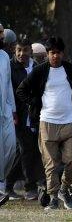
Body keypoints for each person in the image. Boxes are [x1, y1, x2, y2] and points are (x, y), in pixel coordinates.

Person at [16, 36, 72, 210]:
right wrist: (35, 102)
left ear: (63, 53)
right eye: (52, 53)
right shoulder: (39, 71)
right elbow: (21, 90)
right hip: (47, 122)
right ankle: (53, 197)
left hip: (69, 122)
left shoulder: (71, 69)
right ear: (47, 54)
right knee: (51, 164)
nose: (55, 56)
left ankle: (64, 190)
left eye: (58, 53)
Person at [10, 37, 43, 201]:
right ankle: (30, 187)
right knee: (25, 150)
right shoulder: (10, 67)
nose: (22, 54)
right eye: (19, 50)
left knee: (33, 151)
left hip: (35, 116)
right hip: (17, 116)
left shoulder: (36, 67)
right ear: (14, 51)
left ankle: (10, 184)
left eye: (25, 50)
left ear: (31, 51)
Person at [0, 27, 14, 206]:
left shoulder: (4, 57)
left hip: (6, 110)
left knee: (10, 148)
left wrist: (13, 109)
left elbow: (8, 84)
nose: (2, 38)